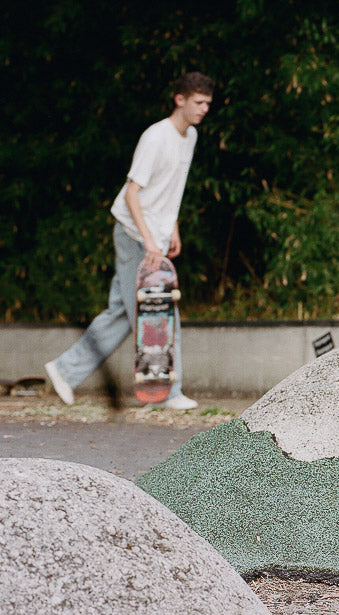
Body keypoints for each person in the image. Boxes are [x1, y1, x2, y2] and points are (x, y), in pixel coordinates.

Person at [44, 72, 214, 410]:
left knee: (121, 314)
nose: (204, 109)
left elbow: (171, 188)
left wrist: (173, 228)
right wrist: (151, 241)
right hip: (135, 236)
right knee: (160, 311)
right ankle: (169, 392)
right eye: (198, 102)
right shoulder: (156, 137)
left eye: (208, 103)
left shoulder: (190, 137)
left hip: (155, 235)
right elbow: (132, 193)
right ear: (179, 100)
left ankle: (65, 369)